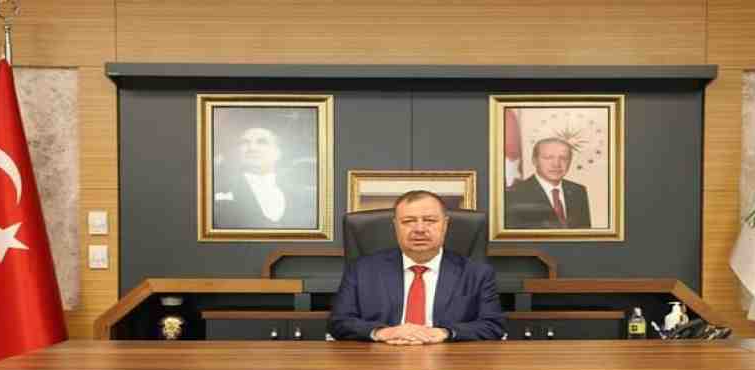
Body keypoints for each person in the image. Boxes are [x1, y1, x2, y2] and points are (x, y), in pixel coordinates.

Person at [328, 190, 506, 344]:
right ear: (395, 226)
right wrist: (382, 333)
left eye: (430, 220)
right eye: (408, 221)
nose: (420, 229)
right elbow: (339, 322)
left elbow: (493, 325)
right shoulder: (362, 270)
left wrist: (445, 333)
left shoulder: (476, 273)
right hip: (380, 358)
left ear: (445, 225)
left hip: (450, 360)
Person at [213, 126, 317, 230]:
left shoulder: (303, 195)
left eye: (262, 142)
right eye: (244, 143)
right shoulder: (219, 189)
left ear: (278, 153)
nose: (252, 148)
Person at [505, 137, 591, 229]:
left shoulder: (578, 191)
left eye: (563, 158)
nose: (556, 164)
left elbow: (584, 233)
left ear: (570, 161)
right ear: (534, 160)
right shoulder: (514, 194)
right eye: (548, 158)